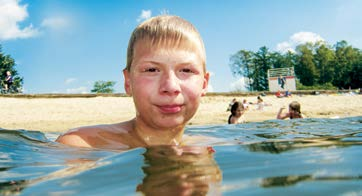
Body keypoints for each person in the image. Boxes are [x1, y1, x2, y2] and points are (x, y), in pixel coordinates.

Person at [56, 15, 210, 149]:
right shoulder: (81, 146)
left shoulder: (208, 148)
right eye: (151, 70)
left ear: (204, 84)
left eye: (186, 70)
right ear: (128, 82)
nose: (170, 87)